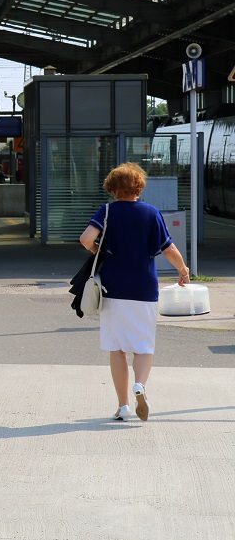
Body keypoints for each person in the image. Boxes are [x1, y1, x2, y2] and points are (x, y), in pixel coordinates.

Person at [78, 162, 189, 422]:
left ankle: (123, 407)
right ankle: (140, 385)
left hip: (112, 288)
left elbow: (85, 239)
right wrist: (183, 270)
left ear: (113, 189)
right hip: (144, 289)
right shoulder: (151, 213)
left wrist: (100, 252)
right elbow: (168, 249)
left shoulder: (106, 212)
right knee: (143, 346)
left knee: (117, 349)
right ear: (139, 186)